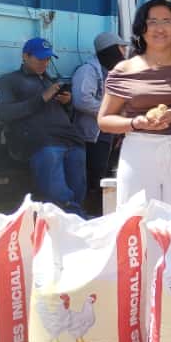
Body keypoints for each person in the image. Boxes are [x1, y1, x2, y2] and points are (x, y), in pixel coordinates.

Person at [98, 0, 171, 214]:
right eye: (152, 21)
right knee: (136, 219)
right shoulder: (124, 70)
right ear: (142, 28)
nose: (160, 28)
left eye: (167, 21)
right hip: (137, 152)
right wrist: (135, 123)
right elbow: (104, 120)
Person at [0, 37, 87, 215]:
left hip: (68, 138)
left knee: (78, 169)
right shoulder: (9, 81)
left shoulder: (50, 81)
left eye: (47, 58)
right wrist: (42, 98)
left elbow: (65, 114)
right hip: (40, 140)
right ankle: (71, 213)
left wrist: (67, 102)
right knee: (52, 160)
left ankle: (75, 212)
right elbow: (4, 113)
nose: (45, 63)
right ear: (25, 56)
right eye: (40, 58)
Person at [71, 32, 126, 215]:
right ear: (110, 50)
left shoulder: (111, 71)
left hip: (109, 133)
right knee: (95, 175)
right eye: (121, 47)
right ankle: (91, 213)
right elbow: (82, 100)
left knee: (106, 174)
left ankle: (101, 211)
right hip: (93, 135)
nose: (124, 52)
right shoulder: (88, 70)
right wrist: (108, 112)